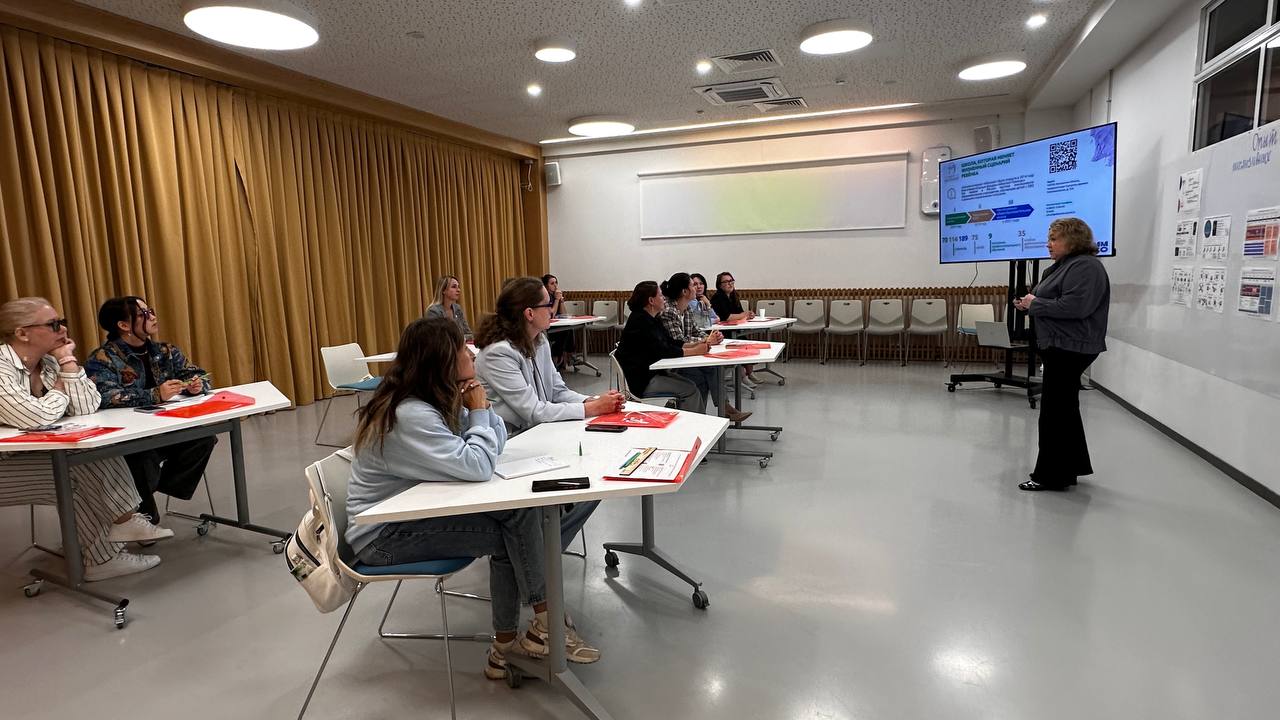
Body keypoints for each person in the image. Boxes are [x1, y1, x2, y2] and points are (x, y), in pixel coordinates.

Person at [345, 317, 600, 677]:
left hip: (418, 511)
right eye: (463, 350)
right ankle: (539, 628)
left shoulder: (434, 398)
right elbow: (479, 464)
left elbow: (495, 443)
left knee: (520, 519)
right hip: (383, 535)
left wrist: (480, 407)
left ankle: (511, 645)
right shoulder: (410, 413)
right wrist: (479, 410)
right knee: (519, 530)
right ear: (442, 361)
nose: (472, 354)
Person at [0, 297, 170, 581]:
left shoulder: (50, 364)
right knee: (72, 470)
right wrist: (59, 393)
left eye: (62, 322)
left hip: (25, 456)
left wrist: (67, 362)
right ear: (22, 333)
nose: (63, 329)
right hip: (5, 466)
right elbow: (35, 417)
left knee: (87, 456)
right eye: (54, 324)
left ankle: (107, 547)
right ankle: (113, 540)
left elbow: (88, 406)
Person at [86, 296, 217, 524]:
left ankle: (151, 490)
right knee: (140, 457)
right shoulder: (103, 358)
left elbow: (198, 374)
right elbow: (104, 396)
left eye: (151, 311)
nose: (152, 317)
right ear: (123, 325)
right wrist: (155, 394)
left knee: (204, 438)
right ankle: (144, 513)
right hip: (129, 434)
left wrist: (196, 386)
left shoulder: (165, 351)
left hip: (166, 425)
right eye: (143, 314)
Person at [1013, 217, 1111, 491]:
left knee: (1054, 413)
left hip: (1070, 346)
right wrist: (1028, 304)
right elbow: (1051, 300)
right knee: (1065, 409)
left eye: (1054, 239)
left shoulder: (1086, 267)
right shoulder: (1064, 266)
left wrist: (1036, 304)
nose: (1048, 244)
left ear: (1073, 240)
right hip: (1061, 344)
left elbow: (1075, 307)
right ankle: (1070, 468)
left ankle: (1050, 476)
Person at [475, 277, 623, 434]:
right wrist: (593, 408)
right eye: (547, 305)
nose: (552, 311)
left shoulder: (540, 341)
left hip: (536, 429)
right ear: (529, 313)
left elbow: (557, 391)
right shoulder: (498, 354)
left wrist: (593, 401)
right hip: (510, 438)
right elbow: (533, 411)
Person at [658, 273, 751, 423]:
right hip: (671, 361)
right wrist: (707, 340)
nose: (696, 288)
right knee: (703, 373)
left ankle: (705, 415)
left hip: (685, 355)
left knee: (710, 369)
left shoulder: (685, 307)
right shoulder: (669, 311)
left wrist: (712, 336)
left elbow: (695, 331)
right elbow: (678, 341)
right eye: (692, 285)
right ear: (684, 291)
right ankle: (715, 411)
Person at [615, 281, 703, 412]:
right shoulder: (640, 322)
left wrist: (694, 345)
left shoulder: (652, 318)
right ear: (651, 300)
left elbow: (669, 341)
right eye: (661, 296)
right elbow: (663, 351)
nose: (664, 299)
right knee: (690, 390)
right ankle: (691, 424)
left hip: (651, 374)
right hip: (641, 381)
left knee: (692, 384)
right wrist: (695, 351)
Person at [710, 271, 759, 388]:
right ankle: (742, 376)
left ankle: (749, 373)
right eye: (726, 282)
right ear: (720, 285)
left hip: (735, 329)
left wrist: (748, 315)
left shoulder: (733, 296)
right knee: (740, 344)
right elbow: (727, 317)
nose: (730, 284)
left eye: (731, 281)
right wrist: (744, 314)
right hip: (722, 331)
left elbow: (740, 313)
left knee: (748, 343)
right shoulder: (718, 297)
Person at [541, 274, 576, 369]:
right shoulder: (545, 297)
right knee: (563, 332)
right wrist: (557, 300)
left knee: (569, 328)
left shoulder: (554, 296)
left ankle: (569, 355)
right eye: (552, 283)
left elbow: (564, 314)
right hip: (546, 327)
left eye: (556, 283)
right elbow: (551, 314)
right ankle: (559, 356)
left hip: (555, 324)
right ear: (546, 286)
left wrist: (561, 301)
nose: (555, 285)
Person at [424, 275, 472, 339]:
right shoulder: (433, 311)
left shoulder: (457, 308)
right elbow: (435, 337)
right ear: (443, 290)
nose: (458, 290)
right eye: (454, 287)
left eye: (458, 287)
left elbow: (468, 333)